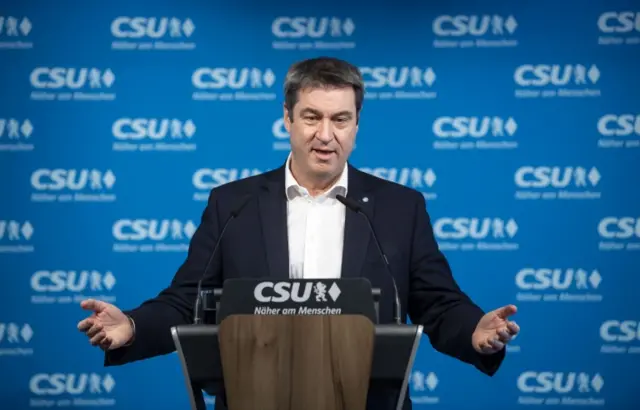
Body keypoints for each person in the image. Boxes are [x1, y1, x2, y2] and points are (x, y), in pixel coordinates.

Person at [78, 56, 520, 410]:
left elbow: (438, 303)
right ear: (287, 118)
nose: (325, 135)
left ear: (356, 124)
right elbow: (187, 301)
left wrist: (474, 332)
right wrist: (133, 326)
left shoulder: (399, 207)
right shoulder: (233, 204)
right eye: (311, 117)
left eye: (340, 119)